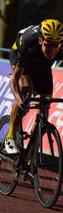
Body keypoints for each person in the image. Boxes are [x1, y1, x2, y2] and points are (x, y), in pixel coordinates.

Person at [6, 19, 63, 154]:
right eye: (49, 45)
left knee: (44, 107)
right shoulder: (28, 41)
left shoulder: (60, 45)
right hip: (23, 59)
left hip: (42, 66)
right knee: (25, 93)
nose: (53, 50)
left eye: (57, 46)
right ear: (40, 41)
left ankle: (31, 152)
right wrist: (21, 102)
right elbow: (14, 79)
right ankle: (10, 136)